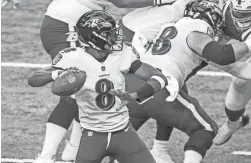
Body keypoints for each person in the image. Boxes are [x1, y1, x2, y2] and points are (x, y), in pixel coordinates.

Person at [36, 0, 177, 162]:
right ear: (94, 38)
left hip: (123, 133)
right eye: (108, 34)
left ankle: (73, 148)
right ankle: (48, 155)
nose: (116, 37)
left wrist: (137, 96)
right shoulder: (74, 57)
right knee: (72, 96)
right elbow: (35, 79)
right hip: (93, 138)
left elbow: (159, 77)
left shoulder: (122, 54)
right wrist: (56, 75)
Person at [114, 0, 251, 162]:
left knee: (115, 131)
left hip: (140, 82)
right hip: (160, 84)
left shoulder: (176, 26)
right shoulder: (197, 33)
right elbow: (223, 57)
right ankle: (158, 150)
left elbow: (234, 67)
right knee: (204, 130)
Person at [213, 0, 251, 146]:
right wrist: (232, 67)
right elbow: (206, 52)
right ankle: (233, 123)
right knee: (240, 83)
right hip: (225, 22)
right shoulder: (219, 8)